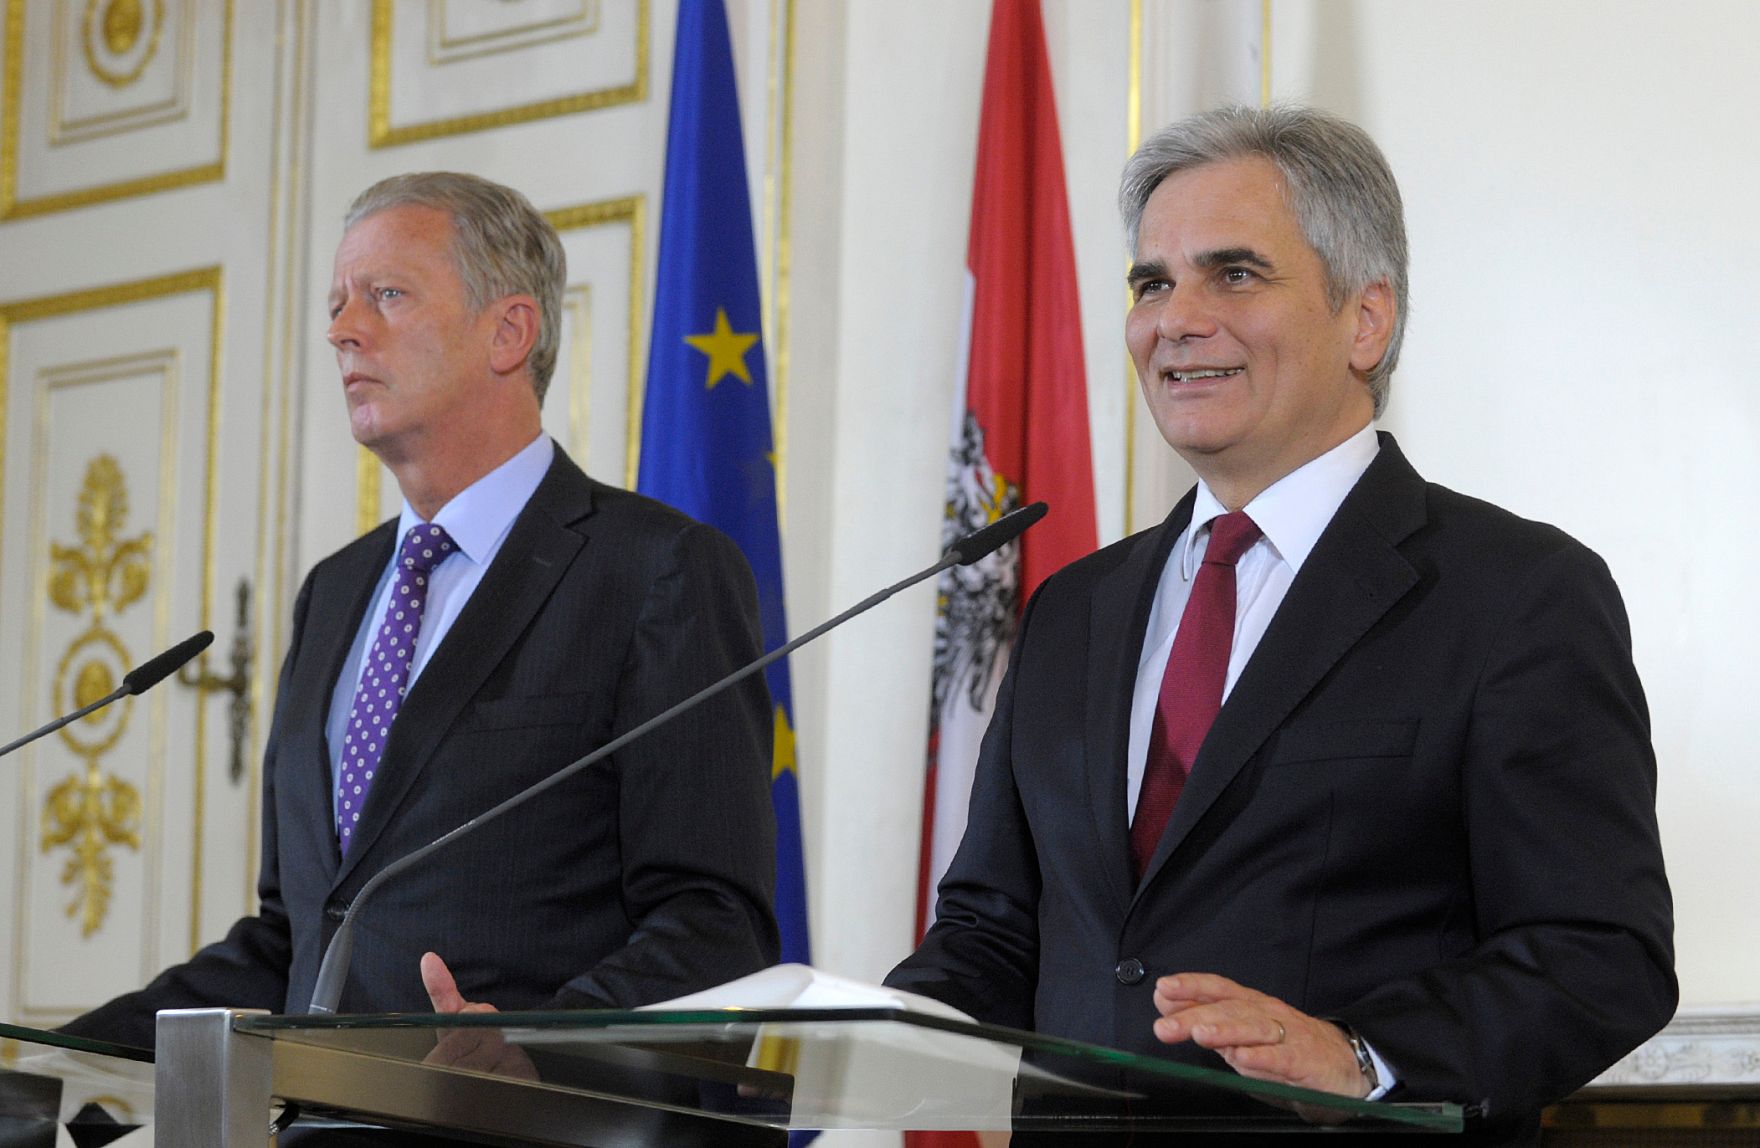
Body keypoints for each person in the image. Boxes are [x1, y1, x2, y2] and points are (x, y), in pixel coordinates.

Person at [887, 105, 1675, 1144]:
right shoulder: (1072, 607)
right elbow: (993, 931)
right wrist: (850, 1032)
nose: (1175, 317)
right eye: (1150, 282)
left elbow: (1597, 952)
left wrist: (1357, 1055)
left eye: (1234, 274)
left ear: (1366, 318)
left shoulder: (1513, 594)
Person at [63, 172, 780, 1049]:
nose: (341, 329)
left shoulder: (657, 573)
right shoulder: (334, 592)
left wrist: (527, 1054)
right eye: (338, 303)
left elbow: (713, 925)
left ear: (509, 331)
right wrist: (58, 1064)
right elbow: (295, 941)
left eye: (387, 295)